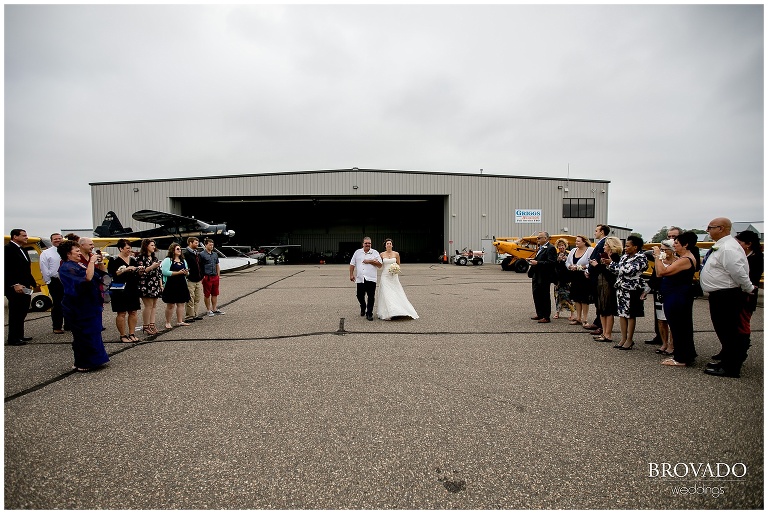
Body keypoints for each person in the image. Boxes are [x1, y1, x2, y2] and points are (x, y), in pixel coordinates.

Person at [700, 218, 757, 378]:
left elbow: (738, 272)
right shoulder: (723, 246)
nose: (707, 230)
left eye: (710, 227)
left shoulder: (728, 248)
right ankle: (726, 361)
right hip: (720, 295)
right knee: (723, 330)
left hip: (727, 295)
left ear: (721, 228)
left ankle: (731, 367)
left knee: (730, 331)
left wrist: (748, 288)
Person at [57, 240, 110, 372]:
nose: (79, 253)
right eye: (76, 251)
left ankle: (96, 359)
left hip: (90, 303)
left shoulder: (79, 264)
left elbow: (99, 275)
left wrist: (98, 262)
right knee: (83, 334)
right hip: (78, 306)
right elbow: (87, 278)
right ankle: (84, 362)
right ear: (68, 254)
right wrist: (91, 262)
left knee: (94, 332)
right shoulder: (66, 267)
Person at [653, 231, 700, 368]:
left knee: (679, 326)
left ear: (686, 245)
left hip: (677, 296)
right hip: (674, 295)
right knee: (678, 326)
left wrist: (658, 256)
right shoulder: (683, 258)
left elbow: (662, 272)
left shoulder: (686, 259)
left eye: (677, 243)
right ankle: (684, 354)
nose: (674, 245)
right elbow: (659, 272)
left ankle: (681, 357)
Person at [608, 235, 648, 350]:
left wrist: (612, 264)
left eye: (628, 246)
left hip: (632, 289)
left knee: (630, 314)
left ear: (635, 247)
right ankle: (623, 338)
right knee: (622, 314)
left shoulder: (641, 258)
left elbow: (629, 270)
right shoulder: (624, 257)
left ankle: (629, 339)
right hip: (621, 288)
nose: (625, 248)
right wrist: (611, 265)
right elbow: (617, 270)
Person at [645, 226, 681, 345]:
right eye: (669, 236)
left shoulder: (681, 259)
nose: (671, 238)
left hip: (673, 292)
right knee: (660, 318)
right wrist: (647, 289)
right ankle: (662, 340)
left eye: (674, 237)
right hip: (660, 290)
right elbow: (655, 274)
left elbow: (661, 273)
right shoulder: (660, 260)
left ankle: (673, 344)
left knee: (672, 319)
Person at [4, 229, 36, 346]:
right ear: (15, 237)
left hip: (25, 285)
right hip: (15, 287)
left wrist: (32, 282)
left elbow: (25, 269)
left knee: (22, 310)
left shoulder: (22, 249)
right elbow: (6, 269)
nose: (26, 237)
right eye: (24, 235)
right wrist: (14, 284)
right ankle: (13, 338)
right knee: (15, 312)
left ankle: (19, 335)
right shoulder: (7, 249)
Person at [107, 239, 142, 343]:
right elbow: (112, 274)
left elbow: (136, 274)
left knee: (133, 311)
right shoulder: (114, 259)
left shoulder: (133, 259)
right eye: (127, 248)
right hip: (119, 288)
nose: (129, 250)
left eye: (130, 248)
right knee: (121, 312)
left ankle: (132, 333)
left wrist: (139, 271)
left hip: (132, 287)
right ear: (120, 248)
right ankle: (122, 335)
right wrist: (125, 269)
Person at [377, 238, 419, 320]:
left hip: (393, 276)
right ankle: (389, 312)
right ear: (385, 246)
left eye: (390, 243)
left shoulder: (396, 254)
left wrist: (395, 268)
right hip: (385, 276)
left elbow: (398, 264)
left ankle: (398, 310)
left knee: (395, 291)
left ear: (392, 245)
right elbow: (379, 265)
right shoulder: (381, 254)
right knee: (386, 293)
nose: (389, 245)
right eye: (387, 244)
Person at [592, 236, 622, 343]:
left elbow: (612, 273)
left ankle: (608, 334)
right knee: (602, 309)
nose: (604, 247)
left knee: (608, 309)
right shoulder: (604, 256)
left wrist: (599, 265)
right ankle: (604, 332)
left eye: (605, 245)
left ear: (611, 246)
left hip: (609, 285)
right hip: (601, 283)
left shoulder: (615, 257)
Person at [584, 224, 610, 335]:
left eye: (596, 231)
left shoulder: (604, 243)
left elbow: (600, 260)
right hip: (594, 273)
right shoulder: (600, 243)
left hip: (599, 275)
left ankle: (601, 325)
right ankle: (597, 321)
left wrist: (591, 270)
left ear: (602, 232)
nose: (595, 233)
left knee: (600, 300)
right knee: (597, 300)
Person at [349, 236, 383, 321]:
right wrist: (351, 274)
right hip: (360, 278)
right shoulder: (357, 252)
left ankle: (369, 313)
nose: (367, 244)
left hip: (371, 278)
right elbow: (352, 264)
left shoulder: (375, 252)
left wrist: (370, 261)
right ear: (363, 244)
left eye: (369, 243)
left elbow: (380, 265)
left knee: (371, 296)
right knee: (359, 295)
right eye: (366, 243)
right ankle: (363, 306)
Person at [528, 231, 558, 323]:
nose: (537, 239)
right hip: (536, 275)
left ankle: (546, 316)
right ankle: (540, 314)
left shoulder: (550, 248)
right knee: (536, 295)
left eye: (539, 238)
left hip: (544, 276)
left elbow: (551, 263)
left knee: (544, 296)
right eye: (537, 238)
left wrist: (537, 263)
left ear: (545, 238)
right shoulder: (540, 248)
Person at [40, 232, 66, 334]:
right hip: (55, 281)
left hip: (67, 280)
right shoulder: (46, 253)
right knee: (58, 304)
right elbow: (44, 268)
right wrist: (48, 281)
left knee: (69, 303)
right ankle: (57, 326)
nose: (58, 240)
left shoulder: (67, 251)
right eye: (55, 239)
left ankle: (68, 325)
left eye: (59, 238)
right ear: (51, 241)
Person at [161, 242, 191, 329]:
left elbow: (187, 272)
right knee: (170, 304)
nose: (179, 250)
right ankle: (168, 322)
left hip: (182, 283)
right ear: (172, 250)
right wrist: (178, 273)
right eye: (177, 249)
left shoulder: (183, 260)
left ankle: (180, 321)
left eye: (180, 249)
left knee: (181, 303)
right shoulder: (168, 260)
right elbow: (164, 272)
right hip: (171, 284)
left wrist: (186, 272)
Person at [566, 234, 593, 326]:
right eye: (576, 241)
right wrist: (570, 266)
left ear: (584, 242)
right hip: (574, 276)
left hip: (584, 277)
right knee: (576, 298)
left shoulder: (590, 250)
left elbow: (592, 262)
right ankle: (578, 318)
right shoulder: (573, 250)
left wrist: (581, 267)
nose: (576, 243)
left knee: (584, 298)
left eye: (578, 241)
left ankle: (585, 319)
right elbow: (567, 262)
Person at [136, 238, 162, 335]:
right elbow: (140, 272)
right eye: (152, 245)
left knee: (154, 305)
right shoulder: (140, 258)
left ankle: (152, 324)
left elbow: (159, 272)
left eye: (154, 245)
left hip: (155, 283)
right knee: (148, 305)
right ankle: (146, 325)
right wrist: (151, 267)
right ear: (146, 246)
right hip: (145, 284)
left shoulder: (154, 258)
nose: (154, 247)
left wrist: (160, 284)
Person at [199, 238, 224, 316]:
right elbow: (200, 266)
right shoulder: (201, 254)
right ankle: (208, 309)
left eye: (212, 245)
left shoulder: (215, 254)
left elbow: (217, 265)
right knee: (207, 294)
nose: (211, 246)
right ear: (206, 245)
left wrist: (218, 275)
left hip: (215, 276)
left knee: (215, 293)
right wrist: (202, 277)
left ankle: (214, 308)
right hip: (207, 277)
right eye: (210, 245)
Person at [183, 237, 205, 322]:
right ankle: (189, 316)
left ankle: (195, 314)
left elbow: (201, 265)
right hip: (190, 279)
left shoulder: (197, 254)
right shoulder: (186, 254)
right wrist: (187, 276)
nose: (197, 244)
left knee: (197, 298)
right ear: (190, 243)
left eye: (197, 243)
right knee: (190, 298)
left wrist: (202, 275)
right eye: (195, 243)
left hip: (198, 279)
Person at [553, 238, 575, 320]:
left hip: (567, 279)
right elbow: (554, 266)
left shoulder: (569, 255)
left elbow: (572, 265)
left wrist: (566, 260)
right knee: (557, 296)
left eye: (562, 245)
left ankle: (572, 313)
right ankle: (557, 312)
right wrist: (557, 260)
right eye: (559, 246)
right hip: (558, 279)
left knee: (568, 296)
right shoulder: (556, 255)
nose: (561, 247)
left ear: (565, 246)